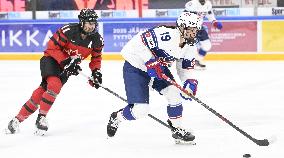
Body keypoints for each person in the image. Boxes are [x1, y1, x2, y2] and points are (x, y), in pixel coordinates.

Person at [106, 12, 202, 144]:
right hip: (136, 67)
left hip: (158, 68)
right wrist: (149, 60)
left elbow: (184, 68)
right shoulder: (165, 34)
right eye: (190, 30)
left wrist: (189, 83)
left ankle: (177, 129)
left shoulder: (190, 46)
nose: (193, 33)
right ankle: (116, 117)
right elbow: (136, 43)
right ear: (181, 27)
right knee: (141, 110)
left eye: (195, 30)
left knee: (174, 94)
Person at [5, 8, 104, 136]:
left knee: (42, 92)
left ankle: (16, 120)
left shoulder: (97, 40)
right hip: (51, 60)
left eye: (94, 23)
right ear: (81, 22)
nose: (92, 26)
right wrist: (66, 61)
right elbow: (51, 48)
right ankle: (41, 118)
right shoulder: (68, 31)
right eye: (89, 23)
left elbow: (96, 59)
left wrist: (96, 73)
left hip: (67, 68)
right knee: (54, 85)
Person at [185, 0, 223, 69]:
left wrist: (215, 23)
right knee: (187, 47)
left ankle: (197, 61)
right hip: (189, 27)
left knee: (207, 45)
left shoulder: (208, 4)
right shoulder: (192, 4)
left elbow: (210, 16)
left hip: (199, 27)